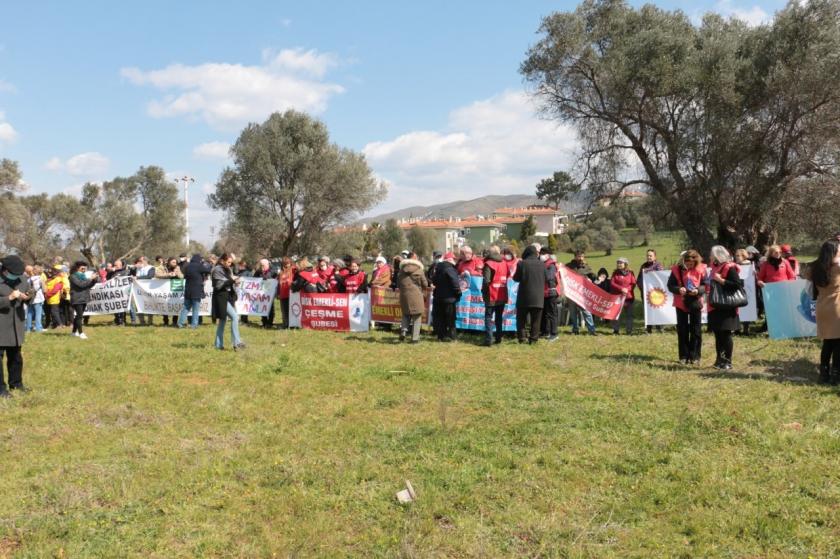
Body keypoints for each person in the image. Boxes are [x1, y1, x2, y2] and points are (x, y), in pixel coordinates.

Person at [806, 239, 840, 384]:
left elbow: (806, 277)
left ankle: (824, 374)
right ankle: (836, 375)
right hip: (837, 306)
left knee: (827, 342)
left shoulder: (814, 268)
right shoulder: (838, 267)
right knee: (838, 344)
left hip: (822, 306)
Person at [0, 255, 33, 397]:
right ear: (5, 271)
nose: (18, 277)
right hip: (1, 326)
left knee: (16, 357)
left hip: (16, 326)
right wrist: (9, 299)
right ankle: (1, 389)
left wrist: (28, 295)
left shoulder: (22, 278)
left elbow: (31, 290)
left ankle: (16, 384)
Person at [708, 245, 744, 370]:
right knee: (718, 334)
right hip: (715, 306)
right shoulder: (714, 267)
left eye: (712, 254)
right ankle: (719, 360)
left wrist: (721, 280)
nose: (710, 256)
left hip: (727, 307)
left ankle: (728, 361)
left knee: (726, 334)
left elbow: (737, 285)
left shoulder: (730, 267)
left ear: (718, 255)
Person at [667, 249, 706, 364]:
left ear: (696, 261)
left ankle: (695, 356)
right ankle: (683, 356)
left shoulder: (701, 269)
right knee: (682, 329)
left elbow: (705, 285)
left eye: (692, 264)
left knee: (696, 330)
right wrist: (679, 289)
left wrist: (698, 290)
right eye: (687, 263)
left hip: (695, 302)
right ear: (683, 261)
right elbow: (670, 285)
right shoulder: (676, 270)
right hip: (681, 302)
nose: (689, 266)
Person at [513, 245, 546, 344]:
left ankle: (522, 338)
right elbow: (548, 278)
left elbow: (516, 278)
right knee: (536, 320)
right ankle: (534, 339)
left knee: (521, 319)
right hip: (538, 298)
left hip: (524, 297)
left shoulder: (521, 264)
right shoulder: (542, 264)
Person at [211, 253, 244, 351]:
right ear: (222, 261)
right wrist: (232, 280)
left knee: (222, 321)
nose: (230, 264)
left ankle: (218, 345)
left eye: (231, 262)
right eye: (228, 262)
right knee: (234, 317)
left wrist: (235, 282)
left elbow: (229, 282)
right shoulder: (217, 270)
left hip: (228, 296)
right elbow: (218, 285)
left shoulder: (228, 269)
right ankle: (237, 343)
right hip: (220, 297)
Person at [397, 252, 428, 343]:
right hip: (416, 296)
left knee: (406, 314)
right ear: (415, 259)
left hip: (404, 295)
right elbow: (425, 284)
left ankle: (403, 331)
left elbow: (398, 283)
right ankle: (414, 338)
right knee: (417, 317)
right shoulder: (419, 270)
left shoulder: (401, 270)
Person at [482, 245, 509, 346]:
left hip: (491, 294)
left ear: (490, 253)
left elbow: (486, 281)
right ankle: (498, 338)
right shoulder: (504, 263)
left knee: (488, 317)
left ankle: (488, 340)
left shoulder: (488, 264)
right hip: (502, 294)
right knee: (499, 317)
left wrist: (483, 292)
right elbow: (508, 275)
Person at [566, 251, 597, 335]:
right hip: (571, 293)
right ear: (575, 256)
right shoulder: (568, 266)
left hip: (582, 294)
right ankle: (575, 329)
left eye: (583, 256)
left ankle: (592, 330)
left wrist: (597, 278)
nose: (581, 258)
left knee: (586, 311)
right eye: (579, 256)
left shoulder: (585, 267)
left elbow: (593, 276)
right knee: (573, 312)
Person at [433, 252, 461, 342]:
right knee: (451, 319)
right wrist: (458, 293)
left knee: (440, 318)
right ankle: (453, 337)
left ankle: (441, 337)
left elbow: (434, 281)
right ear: (451, 260)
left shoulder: (438, 268)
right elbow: (455, 283)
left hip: (438, 297)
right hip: (449, 298)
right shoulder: (450, 268)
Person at [179, 254, 210, 329]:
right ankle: (194, 325)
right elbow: (208, 270)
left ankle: (180, 323)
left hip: (188, 290)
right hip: (196, 290)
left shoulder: (187, 266)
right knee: (196, 309)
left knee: (186, 307)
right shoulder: (199, 265)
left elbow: (185, 276)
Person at [69, 261, 98, 339]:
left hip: (84, 298)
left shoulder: (84, 276)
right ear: (77, 268)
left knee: (79, 316)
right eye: (82, 267)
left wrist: (94, 280)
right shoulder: (73, 276)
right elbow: (81, 285)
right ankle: (81, 333)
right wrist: (90, 279)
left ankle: (73, 332)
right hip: (77, 298)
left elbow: (88, 285)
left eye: (85, 267)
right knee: (79, 316)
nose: (84, 269)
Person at [638, 249, 664, 333]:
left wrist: (649, 271)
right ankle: (649, 329)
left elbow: (661, 276)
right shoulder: (643, 266)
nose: (649, 257)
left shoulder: (658, 265)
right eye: (647, 255)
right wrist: (642, 288)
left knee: (658, 309)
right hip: (646, 293)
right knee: (648, 311)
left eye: (650, 255)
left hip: (657, 293)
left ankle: (659, 328)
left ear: (655, 256)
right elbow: (639, 279)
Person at [610, 257, 637, 335]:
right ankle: (616, 330)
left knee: (629, 315)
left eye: (621, 263)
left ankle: (629, 331)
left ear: (625, 264)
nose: (619, 264)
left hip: (628, 297)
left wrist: (627, 289)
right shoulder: (615, 273)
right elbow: (612, 283)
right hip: (617, 297)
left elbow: (633, 283)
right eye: (618, 263)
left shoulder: (631, 273)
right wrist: (621, 289)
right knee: (616, 314)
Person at [156, 257, 184, 327]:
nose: (175, 264)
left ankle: (174, 321)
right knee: (165, 304)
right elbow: (157, 275)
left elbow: (182, 276)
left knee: (175, 304)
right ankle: (166, 321)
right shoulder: (161, 267)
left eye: (175, 262)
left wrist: (178, 274)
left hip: (175, 288)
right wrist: (168, 275)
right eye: (173, 262)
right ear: (169, 262)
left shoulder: (177, 267)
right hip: (164, 289)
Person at [539, 247, 559, 341]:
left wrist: (540, 274)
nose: (541, 255)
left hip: (551, 292)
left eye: (542, 253)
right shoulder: (544, 264)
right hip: (545, 293)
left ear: (547, 254)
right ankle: (546, 332)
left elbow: (549, 277)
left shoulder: (551, 265)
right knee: (546, 314)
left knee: (552, 314)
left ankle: (554, 333)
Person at [253, 258, 277, 328]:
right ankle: (264, 322)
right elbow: (254, 279)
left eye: (263, 265)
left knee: (270, 308)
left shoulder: (273, 271)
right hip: (261, 293)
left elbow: (274, 278)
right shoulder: (258, 271)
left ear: (267, 264)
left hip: (270, 293)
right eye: (261, 265)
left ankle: (270, 322)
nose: (262, 266)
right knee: (263, 307)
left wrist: (265, 277)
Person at [24, 265, 44, 333]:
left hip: (30, 298)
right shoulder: (40, 279)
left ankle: (28, 328)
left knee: (29, 314)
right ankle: (38, 328)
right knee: (38, 314)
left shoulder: (29, 279)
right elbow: (44, 290)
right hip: (38, 298)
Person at [277, 257, 295, 329]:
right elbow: (278, 284)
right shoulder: (281, 272)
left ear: (290, 263)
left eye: (287, 263)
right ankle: (285, 324)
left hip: (291, 294)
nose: (286, 265)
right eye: (284, 263)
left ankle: (292, 325)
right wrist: (278, 293)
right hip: (282, 294)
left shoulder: (293, 270)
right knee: (284, 311)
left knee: (291, 310)